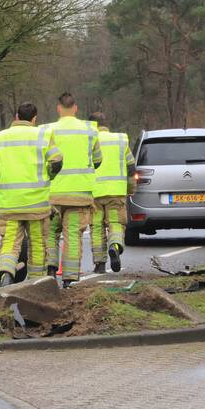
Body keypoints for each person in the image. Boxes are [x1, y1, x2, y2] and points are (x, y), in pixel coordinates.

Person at [0, 102, 63, 286]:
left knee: (10, 242)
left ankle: (6, 273)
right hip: (36, 203)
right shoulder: (43, 135)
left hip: (9, 203)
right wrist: (49, 176)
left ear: (16, 117)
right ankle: (35, 285)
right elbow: (57, 161)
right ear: (34, 118)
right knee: (37, 243)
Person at [43, 93, 102, 288]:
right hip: (79, 194)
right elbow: (98, 160)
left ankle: (50, 270)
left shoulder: (47, 130)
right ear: (75, 108)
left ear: (58, 108)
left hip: (52, 195)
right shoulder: (90, 130)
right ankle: (69, 278)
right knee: (73, 236)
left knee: (50, 233)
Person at [89, 112, 135, 273]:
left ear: (91, 124)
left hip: (93, 194)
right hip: (116, 193)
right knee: (115, 224)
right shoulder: (120, 140)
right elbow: (131, 167)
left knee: (96, 228)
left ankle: (99, 264)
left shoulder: (88, 141)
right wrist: (131, 189)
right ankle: (114, 246)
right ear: (105, 123)